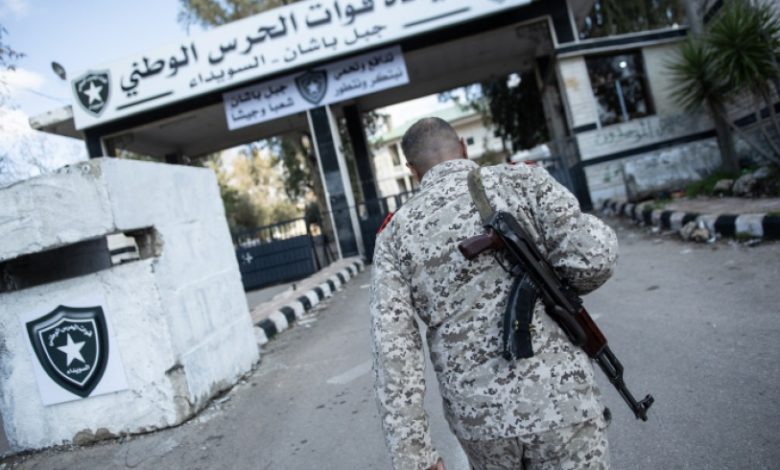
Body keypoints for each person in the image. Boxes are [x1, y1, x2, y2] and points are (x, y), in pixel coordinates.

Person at [370, 117, 618, 470]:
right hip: (561, 399)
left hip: (481, 422)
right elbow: (593, 261)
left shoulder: (395, 234)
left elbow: (394, 351)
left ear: (412, 170)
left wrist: (415, 458)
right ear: (463, 146)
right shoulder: (523, 180)